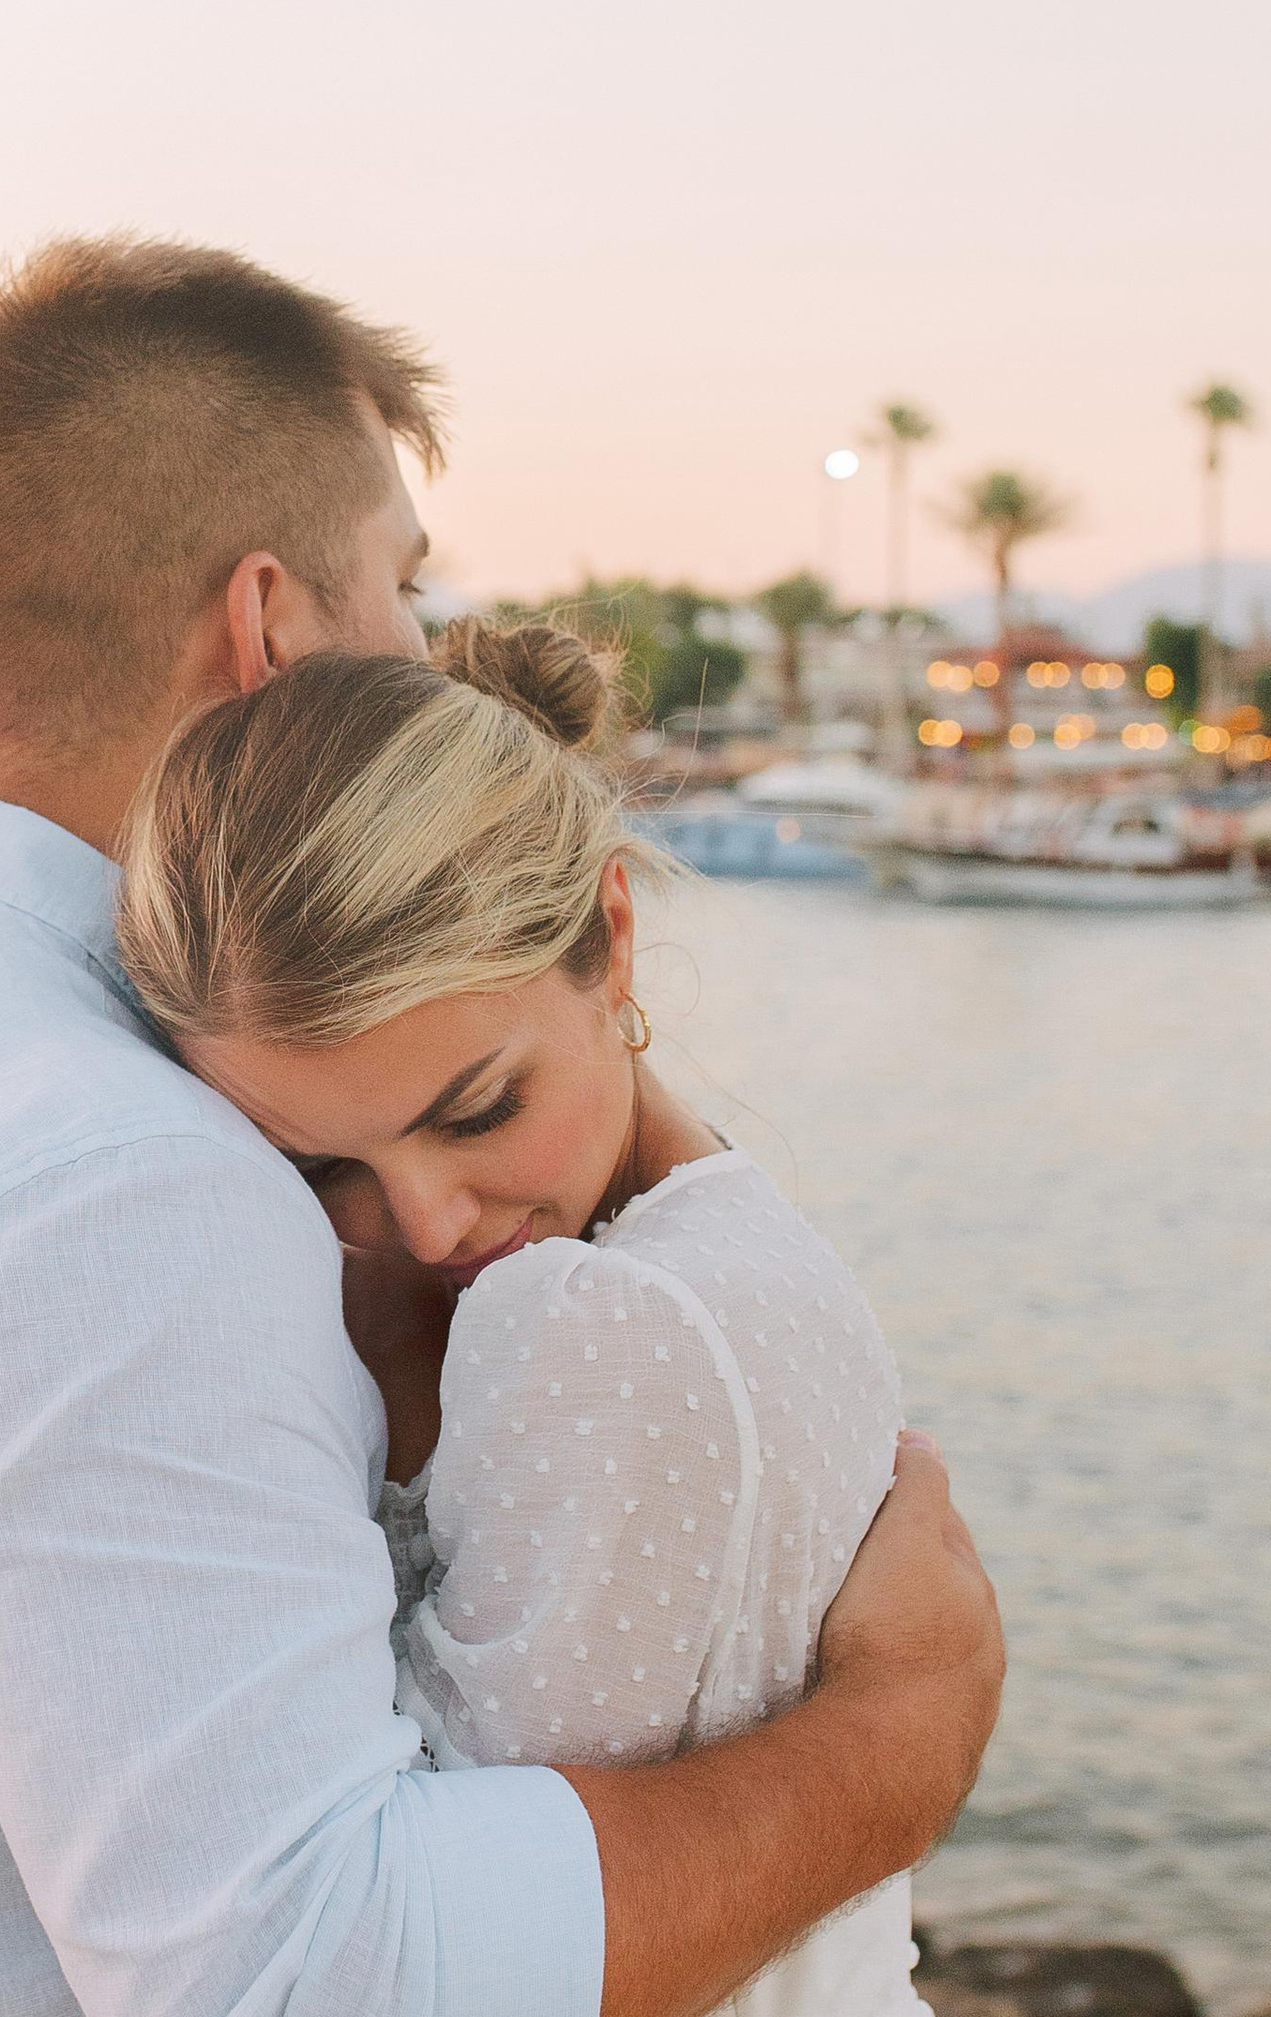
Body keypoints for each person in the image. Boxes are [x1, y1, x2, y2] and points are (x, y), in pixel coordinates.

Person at [0, 235, 1001, 2017]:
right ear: (272, 628)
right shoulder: (114, 1182)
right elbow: (308, 1975)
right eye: (403, 584)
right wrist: (903, 1733)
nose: (426, 649)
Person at [114, 623, 927, 2015]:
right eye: (322, 1168)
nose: (428, 1227)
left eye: (478, 1110)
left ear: (612, 939)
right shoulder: (709, 1227)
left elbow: (461, 1957)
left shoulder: (608, 1328)